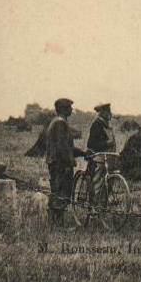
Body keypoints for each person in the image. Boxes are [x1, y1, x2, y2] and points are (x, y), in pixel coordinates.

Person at [45, 98, 89, 228]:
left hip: (57, 163)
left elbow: (67, 146)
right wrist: (70, 161)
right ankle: (58, 226)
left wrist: (82, 153)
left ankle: (56, 225)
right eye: (69, 107)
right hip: (60, 165)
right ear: (64, 109)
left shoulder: (57, 122)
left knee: (58, 193)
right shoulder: (60, 123)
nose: (72, 110)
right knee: (60, 193)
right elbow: (62, 147)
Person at [86, 103, 117, 207]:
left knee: (108, 183)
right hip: (99, 159)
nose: (110, 114)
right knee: (98, 183)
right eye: (107, 111)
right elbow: (91, 144)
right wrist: (107, 144)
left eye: (109, 111)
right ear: (101, 113)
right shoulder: (97, 125)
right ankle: (94, 206)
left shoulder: (107, 125)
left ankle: (102, 205)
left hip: (109, 158)